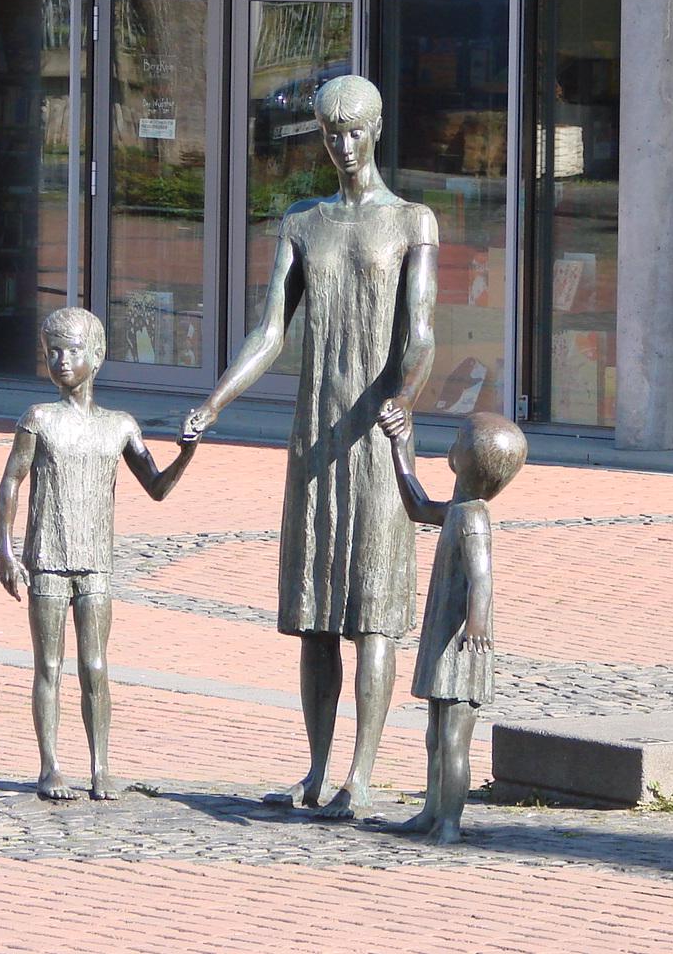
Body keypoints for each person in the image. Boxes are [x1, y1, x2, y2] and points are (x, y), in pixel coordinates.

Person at [183, 74, 438, 820]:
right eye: (331, 133)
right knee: (316, 609)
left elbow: (422, 329)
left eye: (355, 131)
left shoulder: (412, 221)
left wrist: (404, 396)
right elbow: (270, 331)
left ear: (377, 129)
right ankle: (317, 769)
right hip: (316, 437)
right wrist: (214, 401)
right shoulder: (303, 222)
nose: (344, 146)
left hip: (376, 431)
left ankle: (361, 774)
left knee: (373, 608)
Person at [0, 307, 199, 801]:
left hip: (96, 563)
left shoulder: (119, 426)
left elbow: (156, 487)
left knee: (96, 667)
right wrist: (5, 550)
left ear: (98, 355)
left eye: (72, 350)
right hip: (48, 558)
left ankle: (100, 766)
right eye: (53, 352)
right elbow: (11, 482)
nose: (62, 361)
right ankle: (50, 766)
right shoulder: (39, 420)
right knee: (49, 666)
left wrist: (187, 453)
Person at [376, 402, 525, 844]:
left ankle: (449, 822)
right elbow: (418, 506)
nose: (451, 446)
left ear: (463, 459)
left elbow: (482, 578)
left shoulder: (472, 518)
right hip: (445, 637)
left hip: (462, 645)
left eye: (458, 440)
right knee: (435, 737)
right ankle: (431, 811)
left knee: (455, 740)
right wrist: (400, 449)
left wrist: (476, 624)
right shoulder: (460, 509)